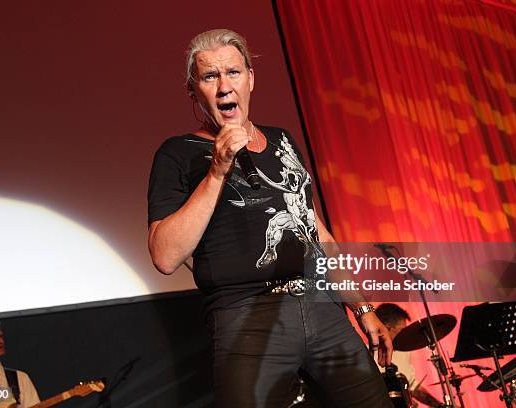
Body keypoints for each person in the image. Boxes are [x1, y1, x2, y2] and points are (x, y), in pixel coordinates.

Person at [147, 29, 393, 407]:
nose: (224, 86)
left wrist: (362, 307)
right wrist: (217, 171)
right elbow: (165, 256)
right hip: (246, 318)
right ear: (193, 91)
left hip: (321, 306)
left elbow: (318, 235)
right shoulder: (177, 154)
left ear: (250, 79)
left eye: (233, 72)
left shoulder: (282, 140)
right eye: (210, 77)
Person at [375, 304, 443, 407]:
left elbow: (413, 387)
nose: (406, 334)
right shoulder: (367, 355)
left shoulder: (404, 351)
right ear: (386, 328)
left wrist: (439, 406)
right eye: (402, 330)